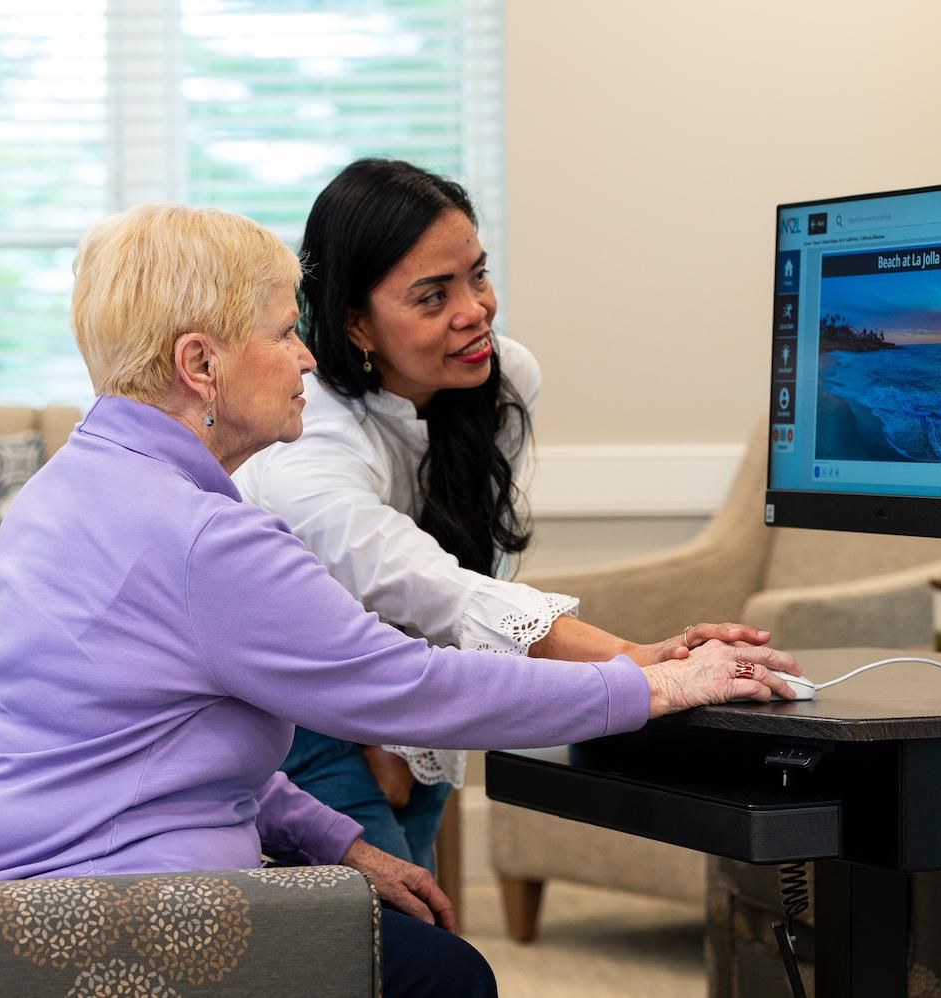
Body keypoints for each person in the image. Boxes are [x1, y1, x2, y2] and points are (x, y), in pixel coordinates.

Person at [0, 202, 801, 998]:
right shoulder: (203, 537)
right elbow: (409, 686)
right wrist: (651, 691)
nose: (307, 360)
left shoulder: (75, 483)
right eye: (283, 333)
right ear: (200, 365)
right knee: (450, 976)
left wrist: (337, 841)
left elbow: (147, 742)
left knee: (414, 940)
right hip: (73, 906)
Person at [235, 158, 774, 869]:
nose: (475, 311)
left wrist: (399, 742)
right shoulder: (308, 444)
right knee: (386, 940)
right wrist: (643, 662)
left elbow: (480, 564)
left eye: (477, 276)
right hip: (293, 710)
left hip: (414, 691)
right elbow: (428, 585)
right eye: (433, 297)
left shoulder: (504, 377)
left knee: (412, 924)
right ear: (356, 324)